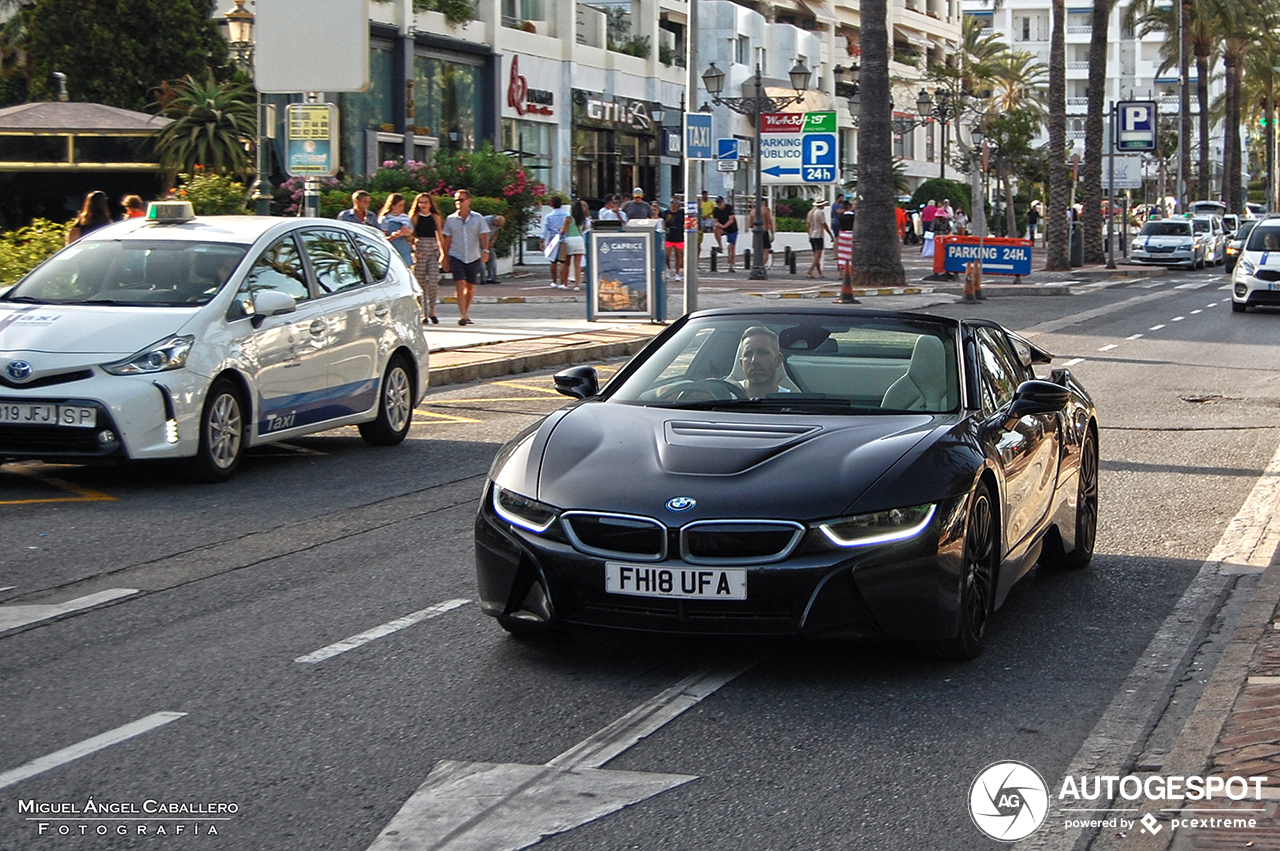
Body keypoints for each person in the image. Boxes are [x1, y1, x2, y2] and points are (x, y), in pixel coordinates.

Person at [439, 189, 490, 325]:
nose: (458, 203)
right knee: (459, 284)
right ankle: (462, 314)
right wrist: (444, 257)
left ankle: (466, 311)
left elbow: (484, 235)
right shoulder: (451, 219)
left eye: (461, 200)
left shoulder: (478, 218)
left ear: (468, 201)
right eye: (456, 200)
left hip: (473, 256)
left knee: (470, 286)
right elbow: (447, 239)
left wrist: (485, 250)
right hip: (456, 255)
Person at [410, 193, 443, 324]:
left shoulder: (435, 217)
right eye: (421, 202)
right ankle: (423, 312)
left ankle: (432, 310)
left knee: (434, 280)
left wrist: (442, 252)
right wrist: (415, 250)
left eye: (426, 202)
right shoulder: (415, 218)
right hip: (421, 249)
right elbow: (410, 236)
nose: (423, 205)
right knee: (421, 282)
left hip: (433, 248)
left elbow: (440, 234)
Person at [736, 326, 787, 399]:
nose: (755, 360)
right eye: (748, 354)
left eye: (762, 353)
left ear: (778, 360)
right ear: (741, 364)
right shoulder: (724, 398)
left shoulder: (792, 402)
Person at [560, 199, 590, 291]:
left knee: (567, 264)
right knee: (577, 265)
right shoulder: (583, 220)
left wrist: (560, 229)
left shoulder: (568, 218)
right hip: (579, 240)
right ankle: (577, 285)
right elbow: (583, 229)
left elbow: (564, 232)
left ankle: (565, 284)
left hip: (569, 240)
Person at [379, 193, 414, 268]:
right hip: (392, 251)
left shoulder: (405, 218)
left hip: (404, 250)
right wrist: (392, 236)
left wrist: (406, 234)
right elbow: (381, 238)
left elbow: (411, 238)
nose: (402, 208)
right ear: (392, 206)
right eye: (400, 205)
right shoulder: (385, 219)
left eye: (403, 205)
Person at [541, 196, 569, 289]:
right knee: (563, 261)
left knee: (553, 261)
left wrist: (542, 240)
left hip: (553, 240)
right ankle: (562, 282)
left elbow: (545, 229)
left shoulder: (549, 216)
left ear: (551, 204)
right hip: (564, 239)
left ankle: (554, 281)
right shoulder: (566, 215)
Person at [807, 199, 833, 278]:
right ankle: (811, 270)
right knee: (818, 255)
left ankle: (820, 273)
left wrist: (809, 234)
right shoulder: (820, 213)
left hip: (812, 235)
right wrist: (830, 234)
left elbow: (808, 224)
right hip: (818, 235)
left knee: (816, 255)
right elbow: (824, 224)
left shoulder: (810, 212)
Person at [713, 197, 738, 271]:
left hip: (732, 229)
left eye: (720, 202)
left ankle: (731, 265)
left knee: (732, 248)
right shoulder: (716, 210)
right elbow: (715, 220)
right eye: (718, 202)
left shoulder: (729, 208)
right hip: (722, 227)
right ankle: (720, 246)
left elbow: (731, 219)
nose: (719, 204)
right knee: (715, 229)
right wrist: (718, 225)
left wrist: (724, 226)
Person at [662, 197, 684, 278]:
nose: (673, 204)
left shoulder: (681, 213)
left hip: (679, 237)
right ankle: (669, 268)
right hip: (669, 236)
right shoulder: (666, 213)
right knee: (667, 255)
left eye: (675, 202)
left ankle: (677, 273)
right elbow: (663, 223)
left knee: (678, 255)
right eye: (672, 202)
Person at [482, 214, 506, 283]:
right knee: (482, 259)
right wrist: (485, 244)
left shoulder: (498, 224)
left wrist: (492, 241)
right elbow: (482, 233)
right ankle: (483, 278)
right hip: (479, 241)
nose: (497, 227)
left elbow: (496, 232)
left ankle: (492, 277)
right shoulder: (485, 221)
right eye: (497, 225)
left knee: (492, 257)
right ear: (495, 220)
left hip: (488, 240)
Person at [754, 199, 775, 267]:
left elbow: (750, 225)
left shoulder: (752, 211)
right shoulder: (766, 210)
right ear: (764, 203)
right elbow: (769, 222)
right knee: (766, 250)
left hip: (755, 233)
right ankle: (762, 266)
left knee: (758, 251)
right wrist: (772, 234)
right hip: (764, 231)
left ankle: (757, 265)